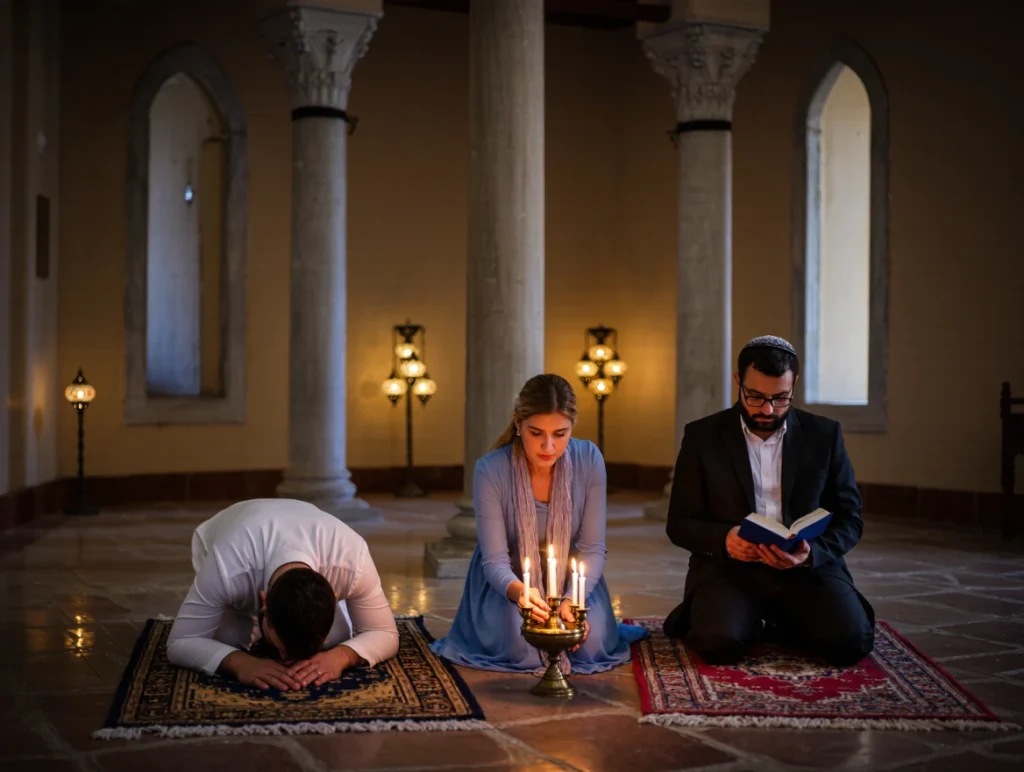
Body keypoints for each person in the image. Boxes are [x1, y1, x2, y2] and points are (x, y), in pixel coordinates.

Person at [663, 335, 875, 667]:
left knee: (851, 642)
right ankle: (754, 619)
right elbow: (679, 523)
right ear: (737, 381)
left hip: (806, 570)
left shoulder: (824, 434)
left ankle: (776, 619)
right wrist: (725, 541)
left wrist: (811, 554)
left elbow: (851, 518)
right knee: (718, 645)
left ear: (795, 386)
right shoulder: (702, 436)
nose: (767, 409)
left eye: (780, 398)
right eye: (755, 396)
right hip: (729, 569)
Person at [431, 373, 640, 674]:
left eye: (560, 434)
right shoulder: (490, 470)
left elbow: (593, 548)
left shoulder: (590, 459)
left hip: (573, 581)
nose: (548, 446)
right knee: (522, 645)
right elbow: (494, 561)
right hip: (510, 580)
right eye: (536, 433)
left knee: (589, 645)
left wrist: (571, 600)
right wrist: (521, 593)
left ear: (572, 427)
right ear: (517, 423)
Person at [166, 498, 399, 690]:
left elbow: (385, 633)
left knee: (339, 637)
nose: (288, 662)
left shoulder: (352, 559)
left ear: (335, 594)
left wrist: (341, 656)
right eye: (282, 651)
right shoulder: (227, 567)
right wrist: (240, 663)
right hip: (231, 535)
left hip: (308, 530)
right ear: (263, 603)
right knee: (229, 640)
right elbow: (180, 642)